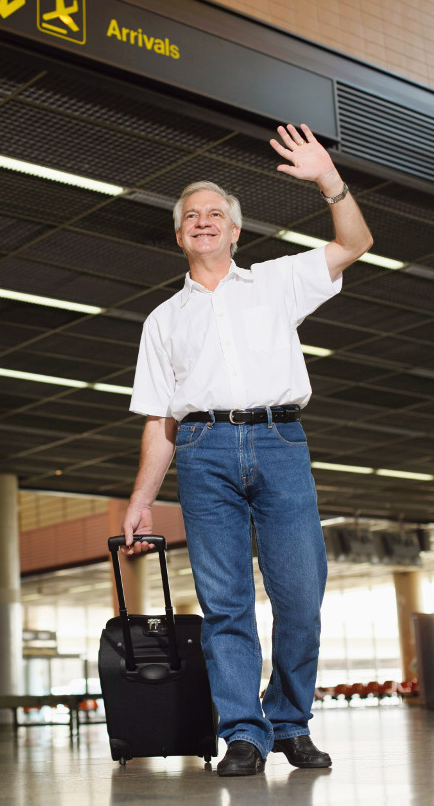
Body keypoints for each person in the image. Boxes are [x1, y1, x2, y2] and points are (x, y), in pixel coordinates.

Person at [121, 123, 373, 776]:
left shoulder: (276, 284)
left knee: (300, 597)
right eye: (191, 216)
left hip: (280, 440)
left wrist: (328, 179)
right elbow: (158, 422)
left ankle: (290, 722)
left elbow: (356, 242)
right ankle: (244, 734)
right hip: (202, 454)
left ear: (235, 232)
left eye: (216, 214)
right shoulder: (162, 321)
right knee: (225, 605)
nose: (203, 221)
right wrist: (141, 500)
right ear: (180, 236)